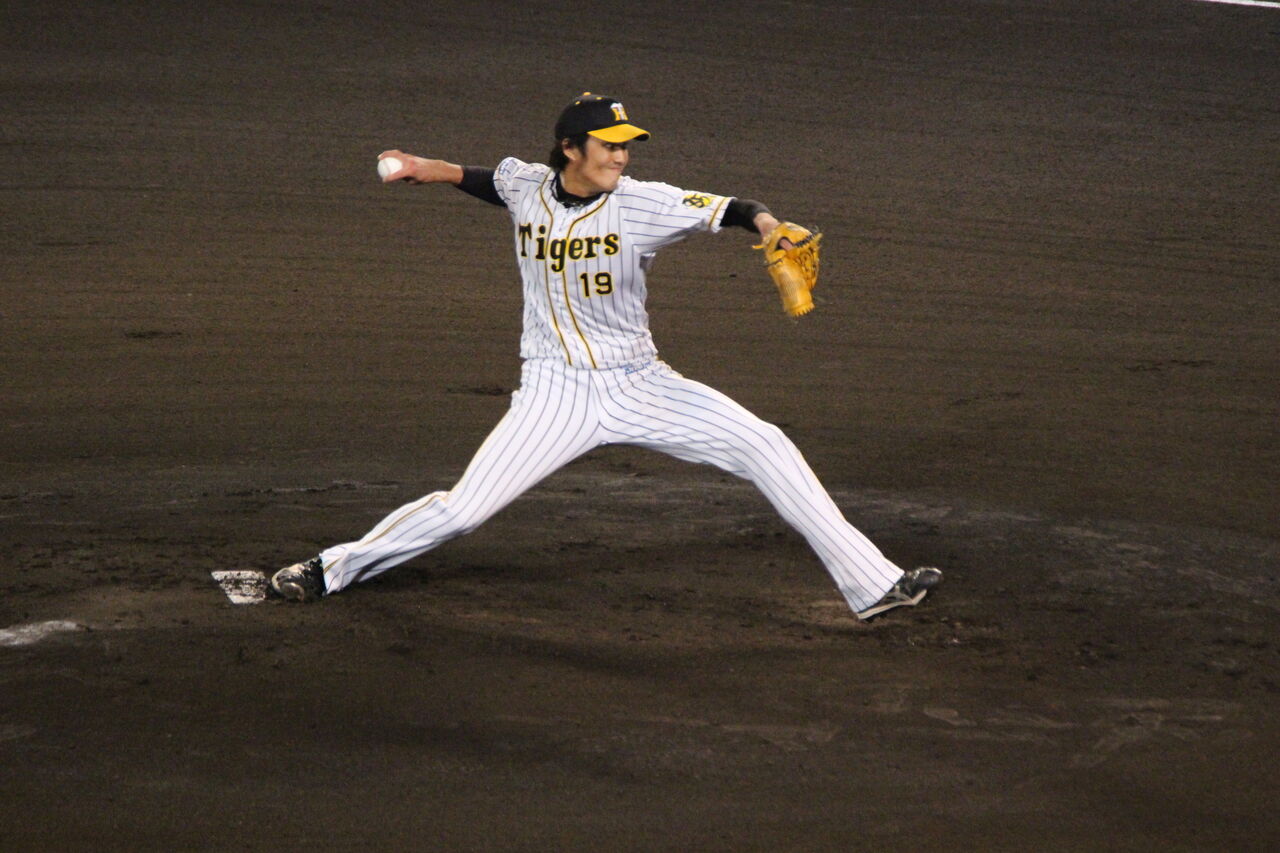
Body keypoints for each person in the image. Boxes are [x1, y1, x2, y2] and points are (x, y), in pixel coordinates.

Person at [270, 93, 940, 621]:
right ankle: (329, 569)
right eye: (608, 145)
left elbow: (734, 208)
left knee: (763, 443)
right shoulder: (529, 186)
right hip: (554, 393)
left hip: (640, 383)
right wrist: (423, 167)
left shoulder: (644, 204)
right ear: (570, 148)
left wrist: (767, 223)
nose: (620, 156)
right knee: (463, 510)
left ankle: (874, 584)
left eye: (625, 145)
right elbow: (484, 180)